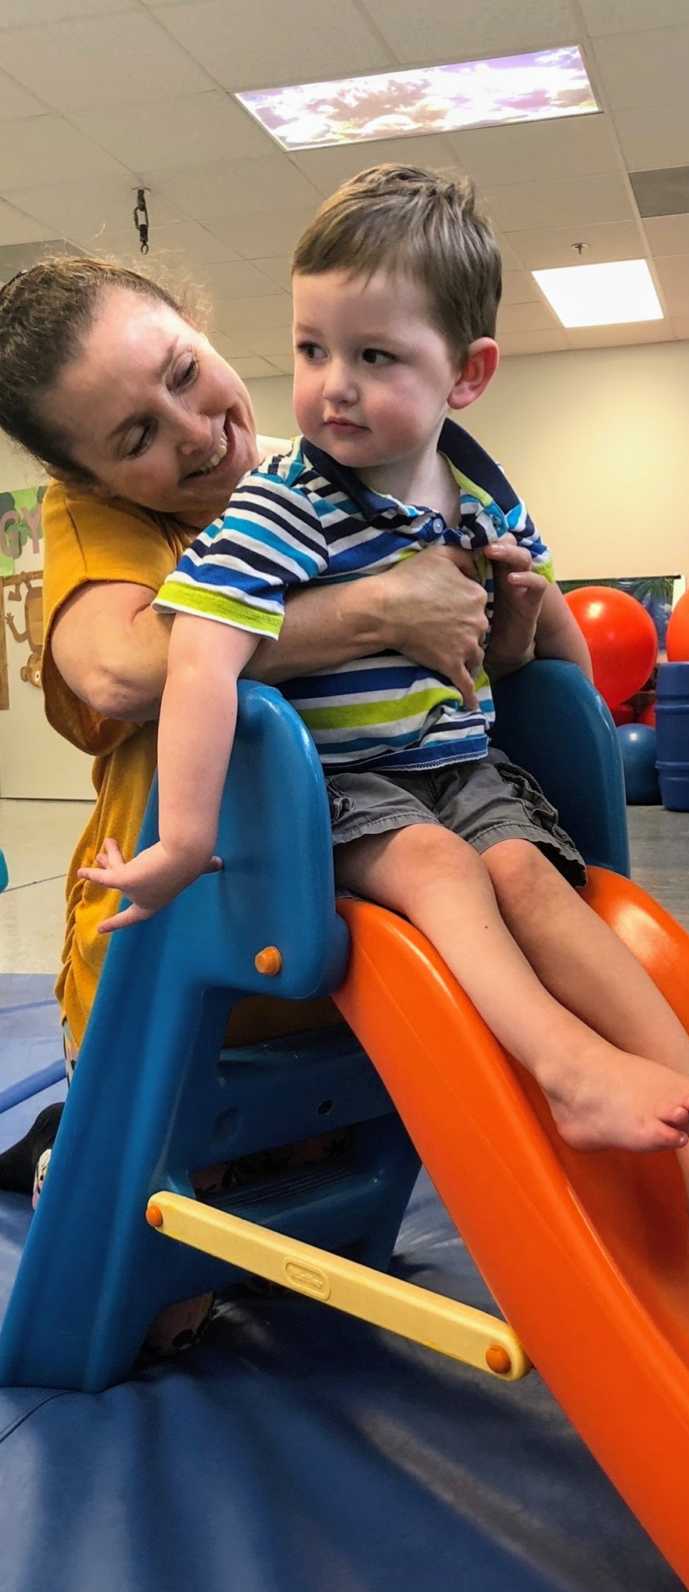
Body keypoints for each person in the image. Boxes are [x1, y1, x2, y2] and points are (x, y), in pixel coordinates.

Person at [79, 165, 689, 1254]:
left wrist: (527, 614)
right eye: (311, 350)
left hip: (461, 772)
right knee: (448, 868)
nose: (331, 387)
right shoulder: (287, 502)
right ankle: (568, 1067)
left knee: (536, 887)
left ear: (469, 374)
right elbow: (202, 661)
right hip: (337, 795)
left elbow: (543, 659)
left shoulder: (485, 495)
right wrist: (189, 835)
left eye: (375, 356)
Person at [0, 254, 503, 1348]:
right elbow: (124, 672)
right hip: (184, 950)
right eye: (133, 437)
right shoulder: (106, 522)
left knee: (307, 1224)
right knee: (164, 1296)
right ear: (84, 474)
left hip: (340, 926)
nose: (189, 432)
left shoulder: (322, 465)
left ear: (202, 322)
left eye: (185, 373)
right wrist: (379, 608)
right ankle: (64, 1146)